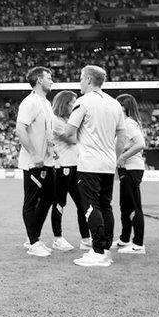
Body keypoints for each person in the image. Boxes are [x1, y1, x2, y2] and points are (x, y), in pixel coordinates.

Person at [61, 65, 126, 267]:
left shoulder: (83, 102)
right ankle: (105, 249)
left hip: (89, 164)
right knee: (106, 205)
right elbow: (122, 137)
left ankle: (97, 252)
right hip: (108, 163)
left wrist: (66, 137)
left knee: (90, 206)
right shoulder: (114, 104)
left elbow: (69, 131)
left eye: (81, 78)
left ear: (89, 80)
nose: (80, 82)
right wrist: (113, 158)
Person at [16, 66, 55, 257]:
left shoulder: (46, 103)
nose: (52, 80)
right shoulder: (29, 102)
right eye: (49, 77)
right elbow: (20, 129)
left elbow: (47, 131)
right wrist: (34, 154)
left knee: (48, 198)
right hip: (33, 163)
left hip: (47, 161)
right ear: (39, 80)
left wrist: (51, 148)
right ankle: (33, 242)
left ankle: (35, 236)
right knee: (31, 201)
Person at [49, 91, 89, 251]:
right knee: (59, 202)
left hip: (74, 166)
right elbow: (72, 139)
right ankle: (57, 238)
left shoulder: (68, 121)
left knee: (82, 203)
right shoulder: (57, 122)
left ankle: (86, 239)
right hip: (62, 167)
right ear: (64, 104)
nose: (74, 106)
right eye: (72, 103)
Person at [114, 94, 147, 255]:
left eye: (118, 105)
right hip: (127, 169)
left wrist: (122, 157)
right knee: (125, 206)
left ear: (125, 107)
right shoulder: (126, 123)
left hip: (131, 168)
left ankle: (138, 244)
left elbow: (141, 144)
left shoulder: (129, 123)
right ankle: (125, 239)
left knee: (134, 206)